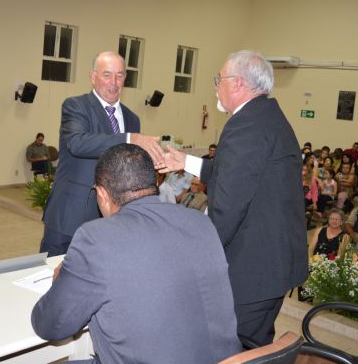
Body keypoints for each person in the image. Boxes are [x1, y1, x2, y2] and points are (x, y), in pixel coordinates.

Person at [31, 144, 241, 363]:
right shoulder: (200, 222)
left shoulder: (96, 237)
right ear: (154, 183)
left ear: (102, 193)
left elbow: (50, 325)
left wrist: (60, 281)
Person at [161, 50, 308, 345]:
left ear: (238, 83)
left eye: (220, 79)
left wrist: (199, 254)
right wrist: (186, 162)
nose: (216, 86)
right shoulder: (265, 115)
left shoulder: (246, 124)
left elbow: (228, 206)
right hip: (271, 260)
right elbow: (240, 173)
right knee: (255, 343)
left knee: (237, 346)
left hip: (253, 265)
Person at [40, 51, 163, 256]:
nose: (114, 82)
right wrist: (129, 138)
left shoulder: (132, 118)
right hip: (70, 217)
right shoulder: (76, 106)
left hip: (113, 222)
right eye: (107, 75)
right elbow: (77, 143)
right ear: (93, 76)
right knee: (54, 274)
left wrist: (155, 159)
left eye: (119, 75)